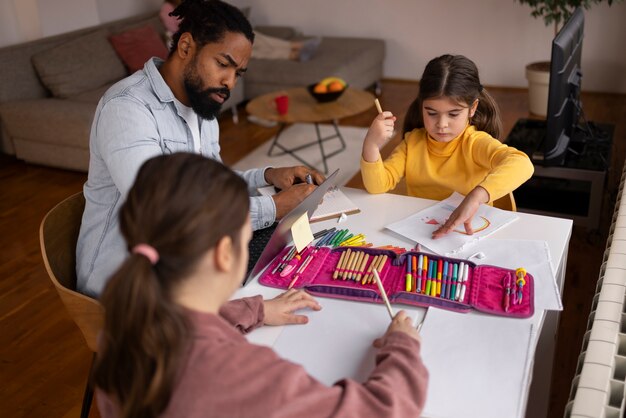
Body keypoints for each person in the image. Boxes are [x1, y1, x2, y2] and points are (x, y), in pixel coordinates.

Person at [93, 153, 428, 418]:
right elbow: (383, 411)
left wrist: (254, 308)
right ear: (225, 253)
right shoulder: (239, 375)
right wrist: (402, 347)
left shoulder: (125, 322)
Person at [77, 0, 323, 297]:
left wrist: (267, 176)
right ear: (185, 47)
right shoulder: (127, 108)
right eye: (223, 64)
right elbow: (165, 209)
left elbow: (210, 187)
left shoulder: (201, 106)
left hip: (187, 261)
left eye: (238, 73)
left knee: (298, 279)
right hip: (128, 289)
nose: (229, 83)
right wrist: (273, 208)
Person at [360, 54, 534, 238]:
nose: (442, 124)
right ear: (422, 107)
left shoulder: (475, 143)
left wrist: (475, 197)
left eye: (453, 114)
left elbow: (522, 164)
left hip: (468, 235)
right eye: (432, 113)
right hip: (422, 233)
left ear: (472, 108)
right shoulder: (412, 143)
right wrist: (371, 144)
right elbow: (377, 186)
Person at [160, 0, 321, 60]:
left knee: (251, 36)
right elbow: (182, 33)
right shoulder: (167, 9)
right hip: (204, 41)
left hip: (216, 33)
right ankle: (292, 53)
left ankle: (294, 48)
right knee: (247, 52)